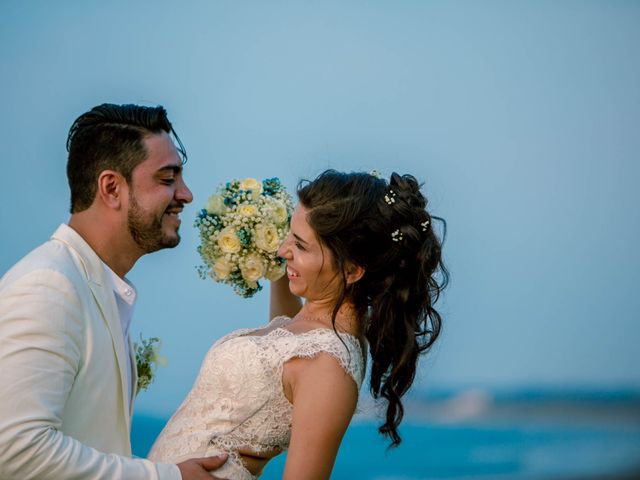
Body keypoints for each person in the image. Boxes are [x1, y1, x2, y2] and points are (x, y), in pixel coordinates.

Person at [148, 169, 448, 479]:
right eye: (289, 233)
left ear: (353, 269)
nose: (281, 250)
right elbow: (276, 368)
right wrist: (276, 268)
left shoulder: (329, 367)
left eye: (301, 246)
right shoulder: (310, 330)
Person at [0, 103, 228, 479]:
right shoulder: (48, 286)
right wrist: (168, 477)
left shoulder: (94, 285)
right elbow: (14, 448)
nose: (186, 194)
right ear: (111, 188)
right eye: (167, 178)